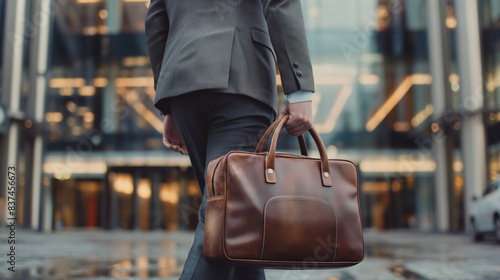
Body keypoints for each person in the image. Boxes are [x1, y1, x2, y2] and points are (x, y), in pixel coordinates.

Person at [145, 0, 315, 279]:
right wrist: (299, 91)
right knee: (226, 217)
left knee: (237, 219)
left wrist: (169, 106)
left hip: (184, 83)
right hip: (241, 79)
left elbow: (156, 19)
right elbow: (281, 3)